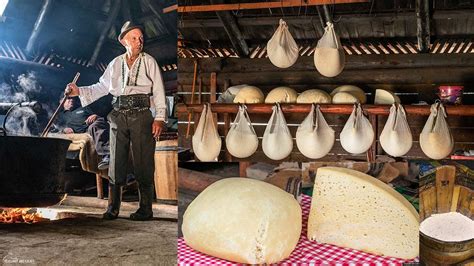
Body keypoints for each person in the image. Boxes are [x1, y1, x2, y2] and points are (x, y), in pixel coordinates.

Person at [66, 21, 167, 221]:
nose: (139, 42)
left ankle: (145, 209)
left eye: (141, 38)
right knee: (115, 161)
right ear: (123, 41)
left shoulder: (149, 62)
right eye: (134, 38)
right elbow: (101, 87)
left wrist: (160, 118)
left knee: (143, 161)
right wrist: (79, 91)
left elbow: (158, 92)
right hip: (118, 115)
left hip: (142, 114)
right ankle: (113, 208)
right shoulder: (115, 64)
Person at [57, 95, 112, 170]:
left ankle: (108, 155)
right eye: (68, 98)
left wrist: (95, 115)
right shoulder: (61, 116)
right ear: (61, 101)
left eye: (73, 98)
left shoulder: (83, 108)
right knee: (91, 129)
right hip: (85, 131)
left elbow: (99, 116)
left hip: (95, 125)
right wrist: (63, 130)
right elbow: (56, 128)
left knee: (93, 126)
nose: (72, 100)